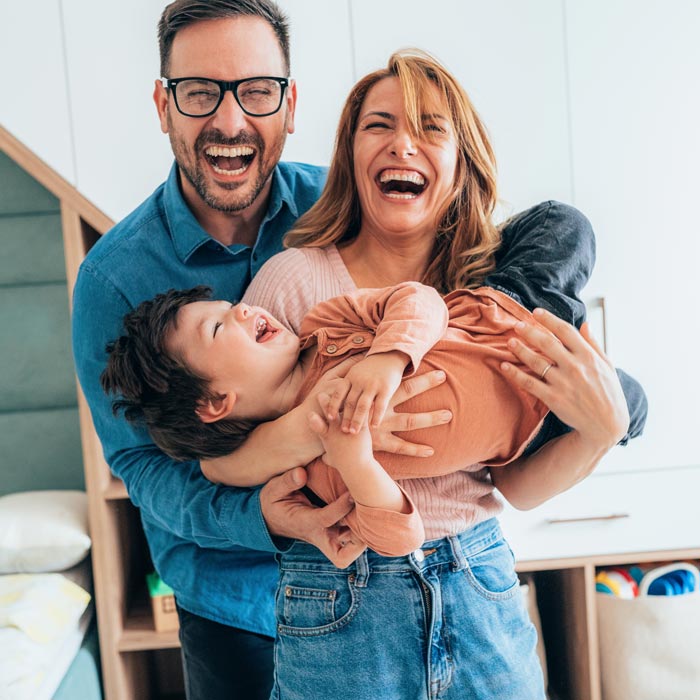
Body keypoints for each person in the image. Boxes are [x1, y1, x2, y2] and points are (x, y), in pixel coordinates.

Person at [193, 49, 646, 699]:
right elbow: (229, 453)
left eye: (431, 127)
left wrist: (599, 434)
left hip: (478, 583)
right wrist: (335, 428)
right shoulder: (295, 282)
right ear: (350, 153)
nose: (403, 142)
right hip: (341, 597)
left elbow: (516, 485)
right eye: (379, 125)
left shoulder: (502, 295)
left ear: (460, 161)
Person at [71, 3, 452, 699]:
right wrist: (263, 514)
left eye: (255, 90)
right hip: (237, 609)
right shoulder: (114, 281)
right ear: (163, 105)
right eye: (198, 92)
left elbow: (454, 295)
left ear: (291, 102)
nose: (228, 121)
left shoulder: (343, 207)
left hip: (390, 574)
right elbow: (140, 464)